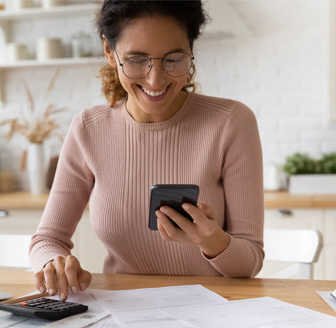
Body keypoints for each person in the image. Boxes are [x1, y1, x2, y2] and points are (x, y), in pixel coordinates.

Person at [30, 0, 264, 302]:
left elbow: (250, 262)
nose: (155, 79)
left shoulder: (231, 122)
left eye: (173, 59)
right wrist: (53, 263)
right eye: (137, 59)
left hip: (212, 309)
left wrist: (212, 239)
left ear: (191, 50)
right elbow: (47, 240)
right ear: (109, 52)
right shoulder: (88, 129)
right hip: (121, 311)